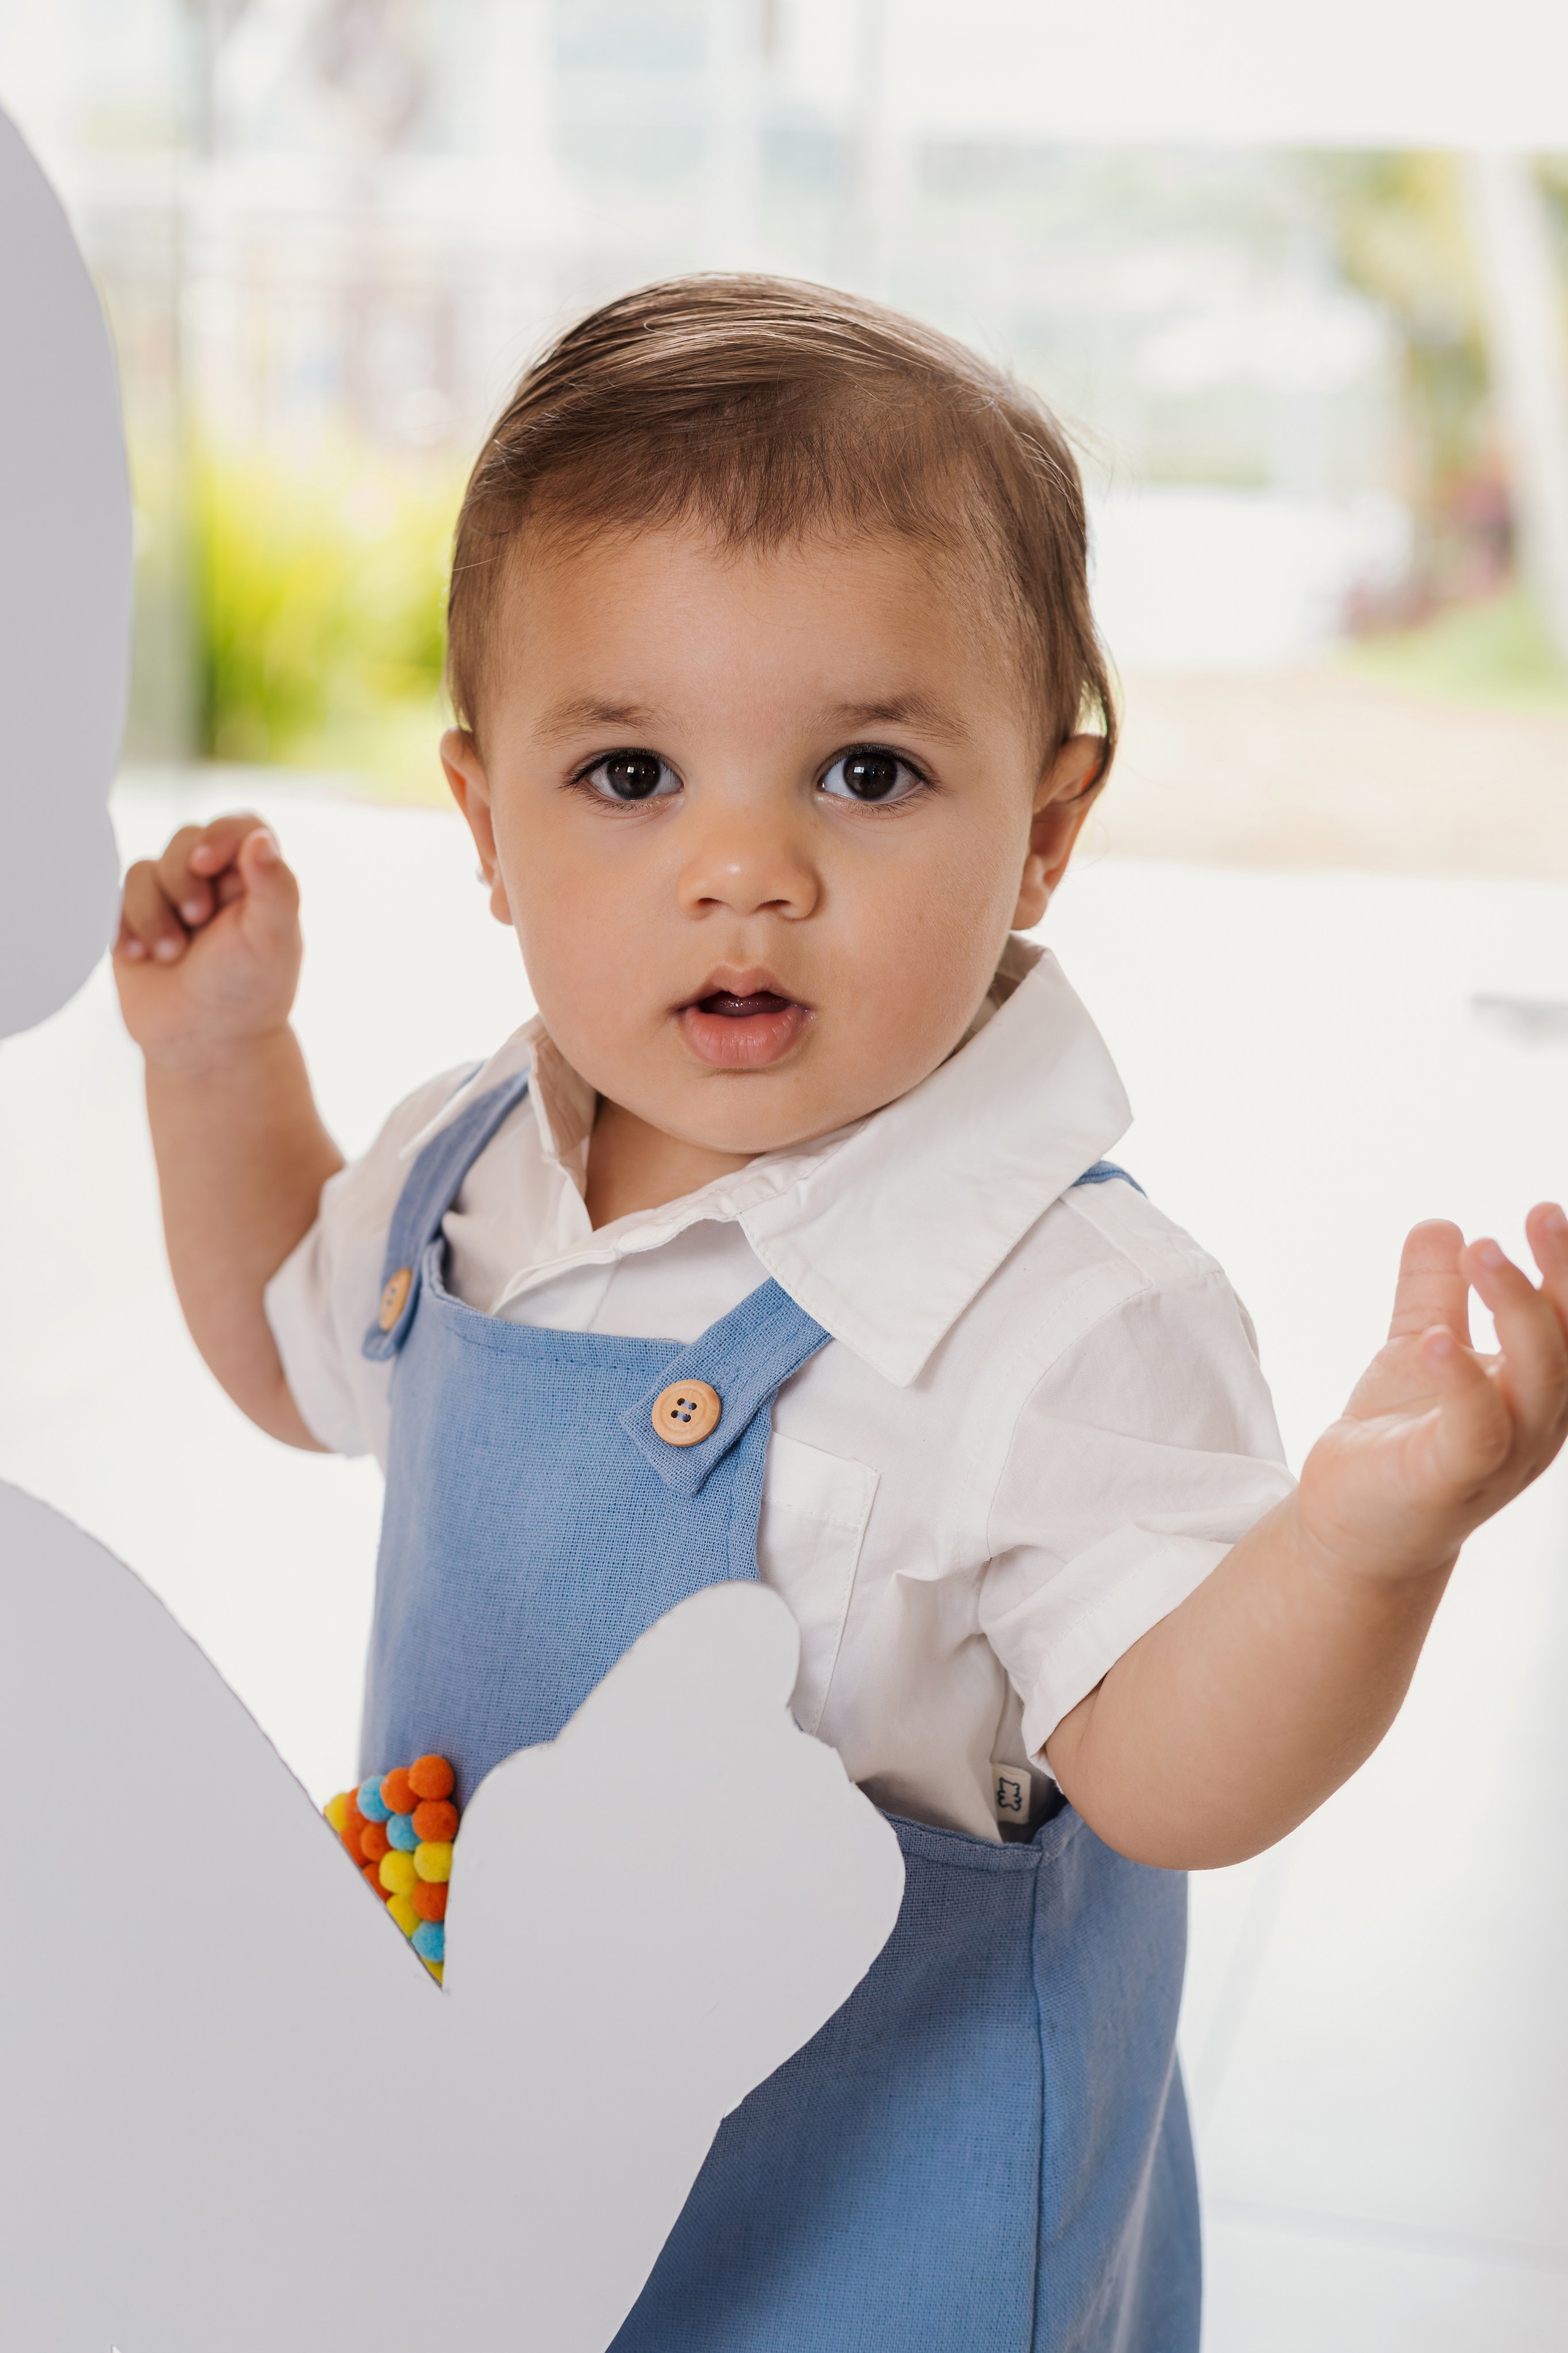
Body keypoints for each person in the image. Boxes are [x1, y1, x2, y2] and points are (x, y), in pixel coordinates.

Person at [113, 276, 1568, 2351]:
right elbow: (290, 1354)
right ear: (484, 826)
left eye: (866, 773)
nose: (745, 867)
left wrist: (1359, 1549)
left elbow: (1179, 1780)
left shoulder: (1059, 1313)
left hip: (872, 2242)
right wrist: (216, 1063)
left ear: (1044, 830)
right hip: (494, 2188)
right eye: (630, 771)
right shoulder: (469, 1160)